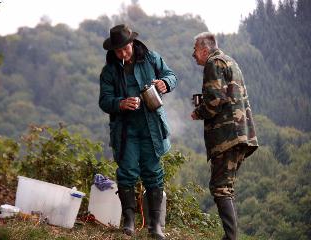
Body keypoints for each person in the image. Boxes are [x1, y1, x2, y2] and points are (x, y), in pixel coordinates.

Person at [99, 24, 177, 239]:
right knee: (127, 172)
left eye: (125, 48)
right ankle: (129, 222)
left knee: (153, 173)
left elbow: (171, 75)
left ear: (131, 43)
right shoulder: (109, 71)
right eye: (118, 50)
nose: (123, 53)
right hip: (125, 129)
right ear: (113, 51)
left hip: (151, 124)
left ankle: (155, 226)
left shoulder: (151, 58)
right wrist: (121, 103)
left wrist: (165, 83)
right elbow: (104, 101)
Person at [191, 32, 258, 240]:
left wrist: (198, 111)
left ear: (204, 49)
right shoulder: (230, 61)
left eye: (194, 50)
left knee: (220, 188)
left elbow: (215, 100)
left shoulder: (214, 63)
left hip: (227, 136)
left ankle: (230, 238)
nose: (193, 55)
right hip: (241, 134)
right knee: (225, 187)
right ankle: (230, 237)